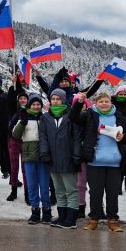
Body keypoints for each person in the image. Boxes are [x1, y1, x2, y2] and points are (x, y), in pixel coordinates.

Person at [71, 92, 126, 232]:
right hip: (95, 160)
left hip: (115, 161)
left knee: (112, 193)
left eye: (106, 101)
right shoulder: (90, 114)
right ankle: (93, 219)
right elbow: (73, 118)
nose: (104, 103)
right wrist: (79, 103)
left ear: (111, 102)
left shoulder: (118, 116)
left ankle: (113, 220)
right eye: (101, 101)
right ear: (96, 103)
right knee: (95, 193)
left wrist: (124, 136)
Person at [39, 88, 82, 229]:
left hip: (68, 158)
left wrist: (76, 155)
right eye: (53, 99)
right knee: (58, 190)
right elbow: (43, 137)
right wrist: (44, 153)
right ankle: (62, 215)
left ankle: (71, 218)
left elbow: (76, 137)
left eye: (58, 99)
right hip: (53, 159)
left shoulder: (71, 116)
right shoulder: (45, 117)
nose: (55, 101)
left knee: (71, 189)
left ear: (63, 100)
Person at [12, 94, 51, 224]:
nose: (36, 106)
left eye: (38, 104)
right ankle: (35, 210)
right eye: (33, 104)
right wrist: (22, 122)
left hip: (43, 155)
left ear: (41, 106)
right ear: (29, 106)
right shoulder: (23, 118)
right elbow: (16, 135)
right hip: (29, 155)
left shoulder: (45, 118)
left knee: (45, 185)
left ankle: (47, 210)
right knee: (32, 184)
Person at [6, 74, 29, 203]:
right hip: (13, 140)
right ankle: (13, 191)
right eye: (20, 98)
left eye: (25, 98)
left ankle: (27, 193)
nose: (22, 100)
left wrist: (18, 83)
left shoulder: (31, 111)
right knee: (14, 167)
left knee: (26, 169)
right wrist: (13, 84)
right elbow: (10, 98)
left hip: (26, 141)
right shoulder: (13, 109)